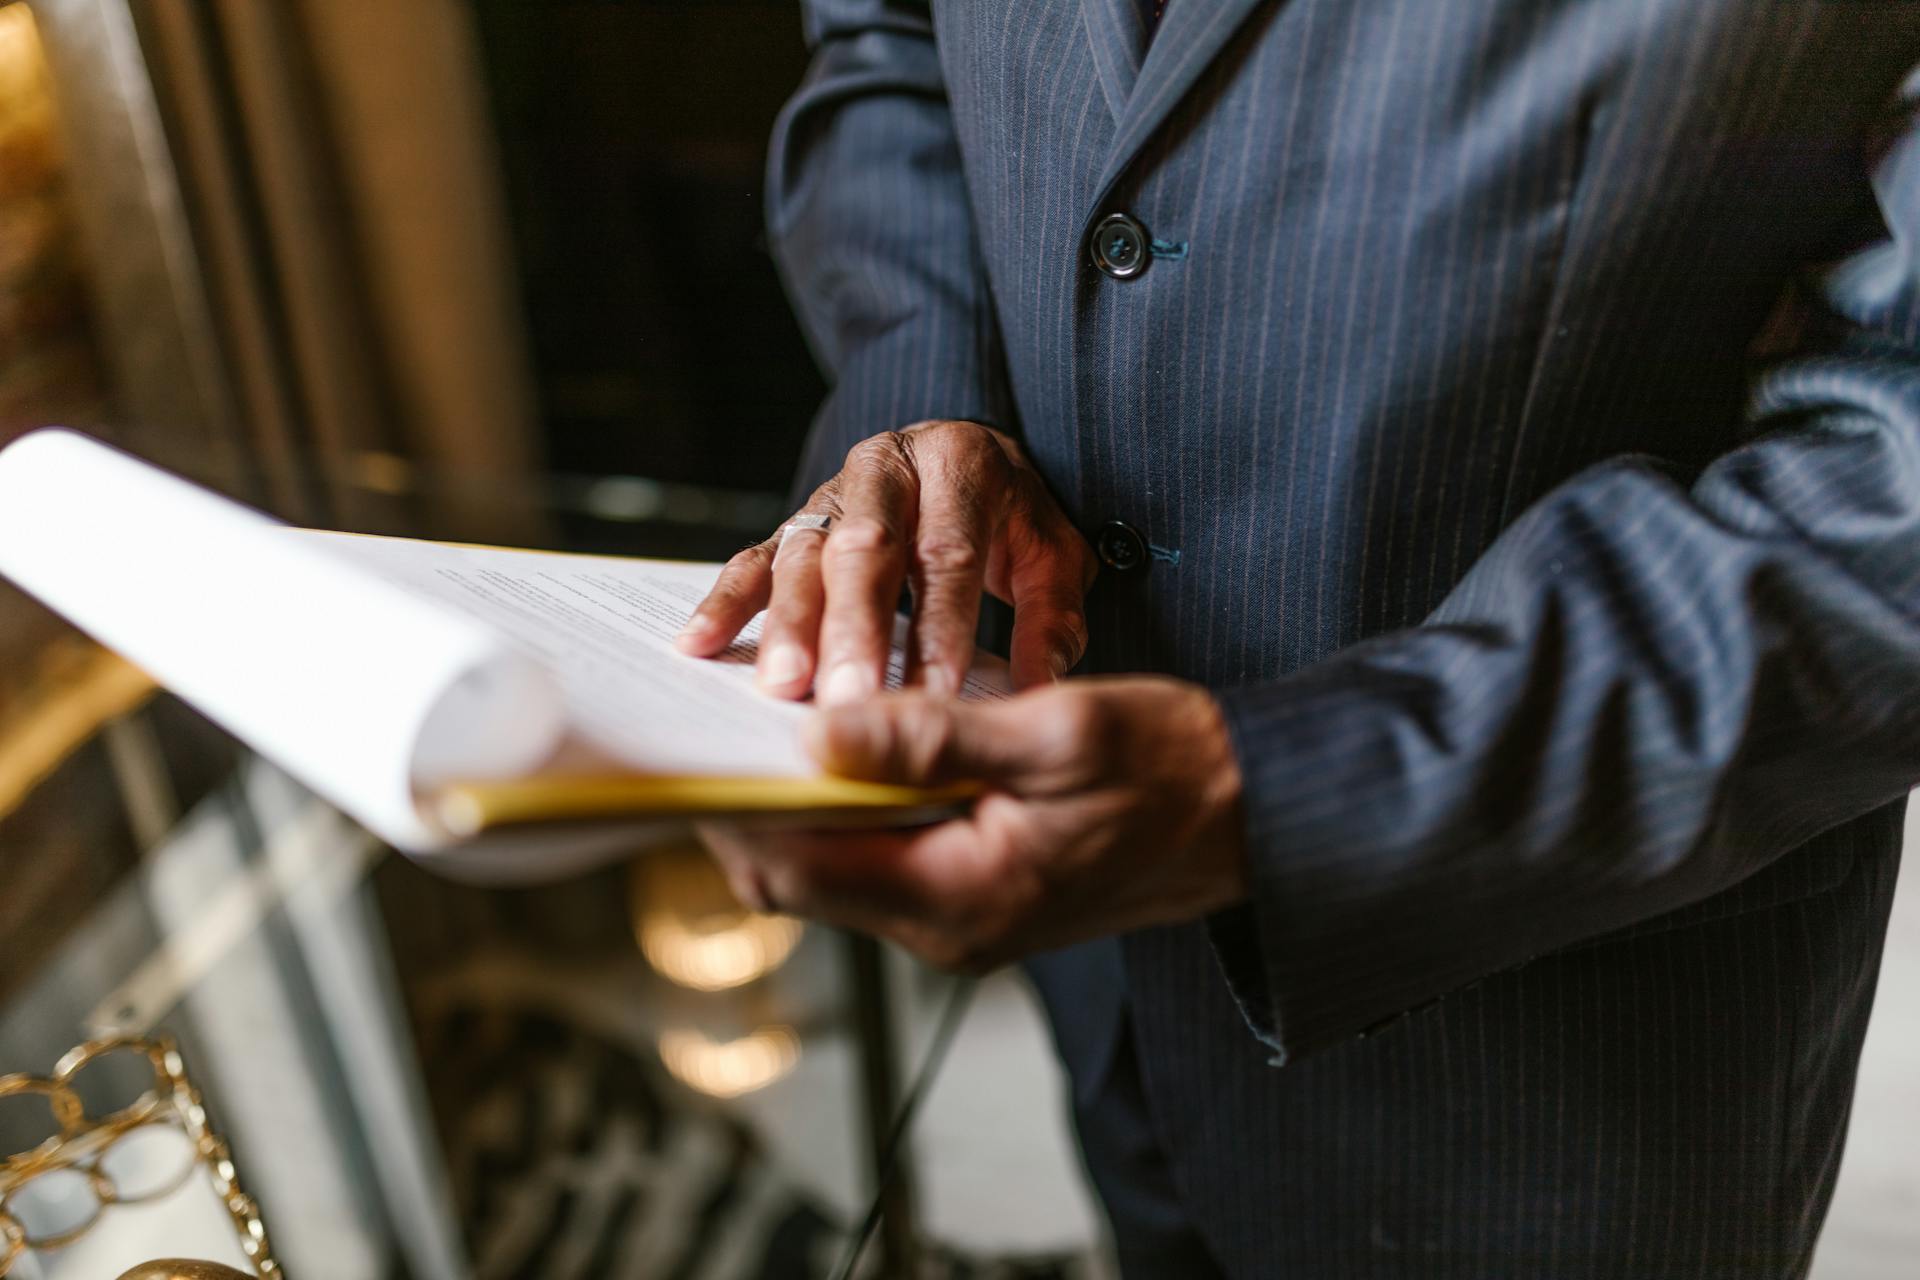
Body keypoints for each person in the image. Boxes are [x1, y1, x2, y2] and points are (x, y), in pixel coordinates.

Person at [681, 2, 1920, 1275]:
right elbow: (889, 45)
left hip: (1553, 1040)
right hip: (1106, 977)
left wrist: (1278, 798)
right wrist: (932, 396)